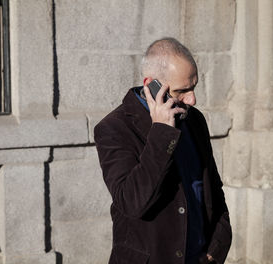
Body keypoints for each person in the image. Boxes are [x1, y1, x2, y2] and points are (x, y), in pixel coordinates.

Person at [94, 37, 232, 264]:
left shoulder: (193, 119)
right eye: (182, 90)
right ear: (151, 85)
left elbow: (212, 188)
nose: (193, 99)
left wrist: (217, 247)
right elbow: (132, 202)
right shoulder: (114, 128)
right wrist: (161, 132)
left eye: (194, 87)